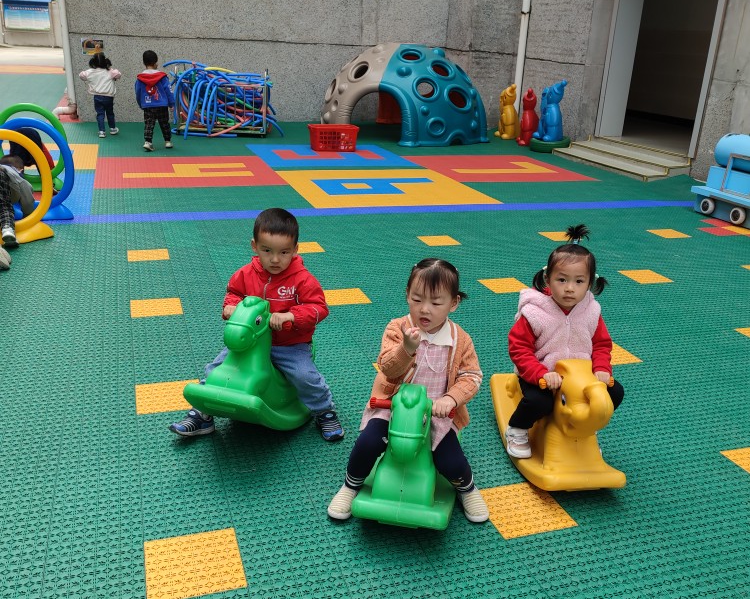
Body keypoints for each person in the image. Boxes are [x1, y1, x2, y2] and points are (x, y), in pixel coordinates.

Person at [327, 258, 489, 523]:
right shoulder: (397, 329)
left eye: (436, 303)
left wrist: (451, 399)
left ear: (454, 303)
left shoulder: (460, 340)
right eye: (416, 299)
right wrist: (406, 348)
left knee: (450, 460)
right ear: (407, 295)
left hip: (436, 415)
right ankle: (350, 485)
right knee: (367, 443)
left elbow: (471, 376)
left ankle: (467, 489)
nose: (424, 309)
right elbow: (387, 368)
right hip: (392, 408)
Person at [169, 207, 344, 442]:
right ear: (255, 246)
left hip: (289, 345)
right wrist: (231, 307)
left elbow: (319, 307)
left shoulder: (302, 279)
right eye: (267, 250)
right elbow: (233, 293)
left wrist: (291, 316)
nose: (275, 259)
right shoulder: (245, 274)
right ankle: (203, 414)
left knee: (304, 375)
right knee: (217, 368)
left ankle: (324, 411)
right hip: (251, 342)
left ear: (295, 249)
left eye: (284, 252)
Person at [504, 224, 624, 458]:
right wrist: (540, 373)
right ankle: (517, 428)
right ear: (547, 278)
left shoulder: (591, 311)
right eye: (561, 280)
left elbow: (601, 344)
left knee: (616, 392)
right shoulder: (535, 312)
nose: (570, 289)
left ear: (590, 283)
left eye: (579, 281)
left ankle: (586, 426)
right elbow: (519, 349)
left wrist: (601, 368)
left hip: (580, 378)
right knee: (539, 402)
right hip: (543, 376)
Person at [134, 50, 175, 152]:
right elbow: (168, 90)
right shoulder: (162, 76)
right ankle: (168, 141)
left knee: (149, 123)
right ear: (156, 62)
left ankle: (148, 142)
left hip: (148, 105)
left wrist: (141, 103)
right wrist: (171, 103)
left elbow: (138, 92)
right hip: (162, 104)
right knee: (164, 123)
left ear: (144, 62)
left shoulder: (140, 78)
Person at [79, 52, 122, 138]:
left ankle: (102, 131)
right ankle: (113, 129)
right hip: (109, 97)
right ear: (105, 61)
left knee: (100, 114)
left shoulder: (90, 72)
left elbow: (81, 75)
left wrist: (90, 73)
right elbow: (118, 74)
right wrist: (110, 69)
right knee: (110, 113)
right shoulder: (109, 71)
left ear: (93, 62)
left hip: (97, 96)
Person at [0, 154, 35, 251]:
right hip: (1, 175)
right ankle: (7, 230)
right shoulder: (14, 174)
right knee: (4, 205)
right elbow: (27, 198)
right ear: (20, 170)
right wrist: (28, 214)